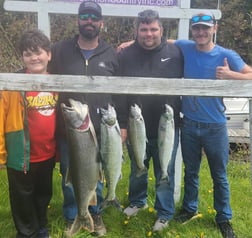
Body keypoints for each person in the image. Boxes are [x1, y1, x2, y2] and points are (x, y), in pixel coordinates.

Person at [167, 12, 252, 238]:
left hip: (215, 127)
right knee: (191, 172)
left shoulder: (226, 54)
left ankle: (224, 218)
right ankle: (189, 209)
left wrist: (230, 74)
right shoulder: (186, 46)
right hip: (189, 125)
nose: (201, 33)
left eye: (205, 28)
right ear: (192, 31)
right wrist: (129, 43)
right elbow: (164, 41)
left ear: (214, 28)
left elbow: (250, 75)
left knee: (220, 175)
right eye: (197, 29)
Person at [48, 1, 124, 236]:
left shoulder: (112, 53)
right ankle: (74, 215)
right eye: (85, 16)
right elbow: (39, 70)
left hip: (102, 129)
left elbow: (120, 91)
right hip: (71, 129)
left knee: (97, 174)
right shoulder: (59, 50)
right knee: (71, 175)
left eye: (94, 17)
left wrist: (124, 126)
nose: (89, 21)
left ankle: (96, 214)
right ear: (78, 20)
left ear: (101, 22)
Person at [118, 9, 184, 232]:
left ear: (161, 30)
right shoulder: (125, 54)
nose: (149, 34)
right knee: (138, 164)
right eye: (143, 29)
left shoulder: (176, 52)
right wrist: (123, 124)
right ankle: (138, 201)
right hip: (136, 123)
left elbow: (197, 48)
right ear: (136, 31)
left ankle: (164, 212)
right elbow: (118, 91)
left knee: (165, 168)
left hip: (167, 125)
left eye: (153, 29)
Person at [0, 30, 58, 238]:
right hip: (21, 155)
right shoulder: (12, 84)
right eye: (27, 54)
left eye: (38, 52)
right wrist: (1, 153)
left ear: (49, 55)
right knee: (22, 197)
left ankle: (41, 226)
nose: (34, 58)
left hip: (48, 154)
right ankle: (27, 233)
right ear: (22, 58)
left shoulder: (58, 82)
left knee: (43, 194)